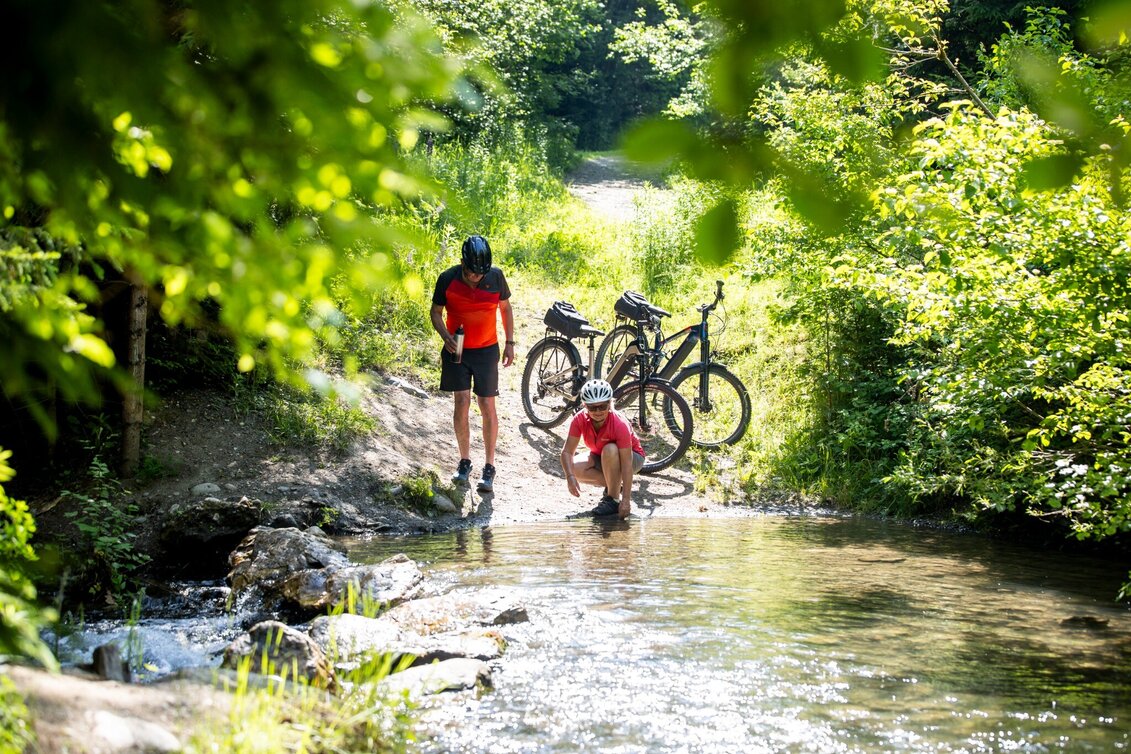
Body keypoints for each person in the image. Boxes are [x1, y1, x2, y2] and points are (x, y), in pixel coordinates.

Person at [431, 235, 516, 493]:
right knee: (462, 402)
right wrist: (444, 336)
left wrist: (510, 343)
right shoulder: (447, 279)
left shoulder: (496, 277)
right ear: (462, 264)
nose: (476, 278)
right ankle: (465, 461)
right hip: (457, 348)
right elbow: (435, 312)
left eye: (481, 274)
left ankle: (489, 467)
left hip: (487, 350)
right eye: (470, 273)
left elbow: (506, 309)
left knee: (487, 404)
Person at [559, 379, 645, 519]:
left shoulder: (619, 423)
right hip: (601, 455)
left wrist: (626, 501)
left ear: (610, 403)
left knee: (609, 449)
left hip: (632, 457)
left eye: (603, 407)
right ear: (585, 406)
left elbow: (627, 465)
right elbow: (567, 452)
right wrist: (569, 477)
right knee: (573, 467)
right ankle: (615, 487)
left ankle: (612, 500)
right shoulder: (579, 419)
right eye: (592, 407)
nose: (598, 412)